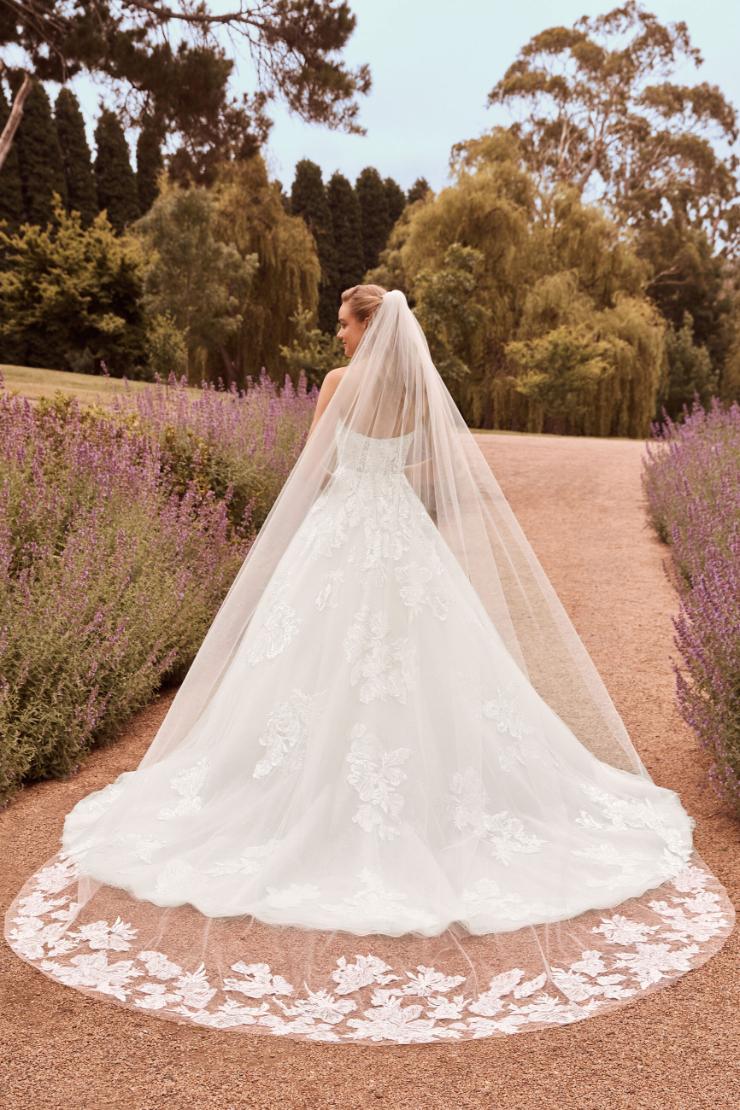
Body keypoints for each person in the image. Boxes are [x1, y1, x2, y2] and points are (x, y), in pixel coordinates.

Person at [4, 285, 734, 1045]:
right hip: (400, 534)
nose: (339, 341)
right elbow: (433, 458)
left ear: (364, 326)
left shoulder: (337, 387)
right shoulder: (415, 390)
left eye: (343, 328)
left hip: (342, 528)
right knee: (421, 663)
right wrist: (388, 469)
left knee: (310, 663)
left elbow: (312, 467)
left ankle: (300, 794)